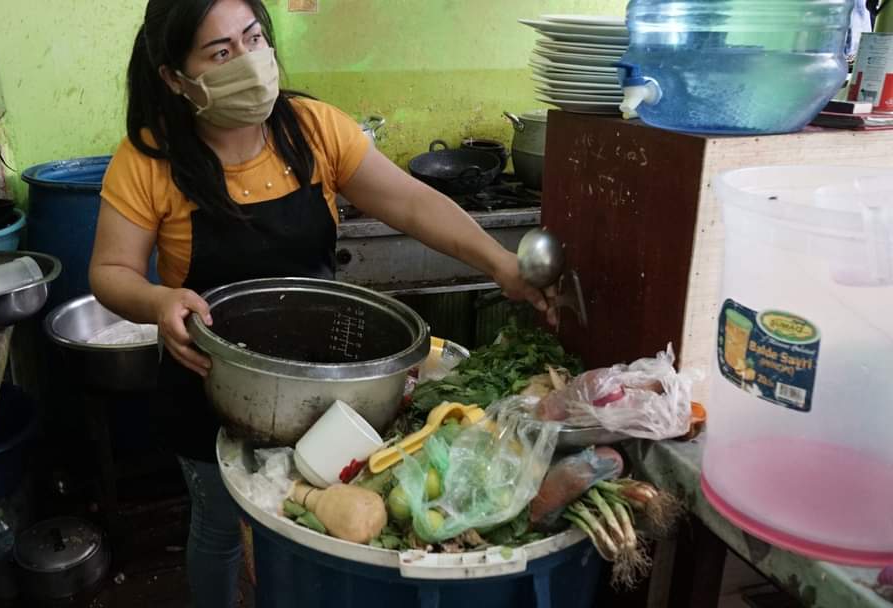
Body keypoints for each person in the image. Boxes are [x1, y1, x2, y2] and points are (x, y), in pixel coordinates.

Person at [90, 0, 552, 605]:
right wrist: (157, 301)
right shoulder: (149, 159)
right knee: (220, 529)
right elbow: (110, 271)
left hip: (322, 387)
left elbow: (412, 204)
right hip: (210, 388)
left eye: (254, 38)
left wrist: (500, 264)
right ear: (175, 79)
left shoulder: (312, 129)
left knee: (319, 524)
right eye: (221, 53)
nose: (249, 61)